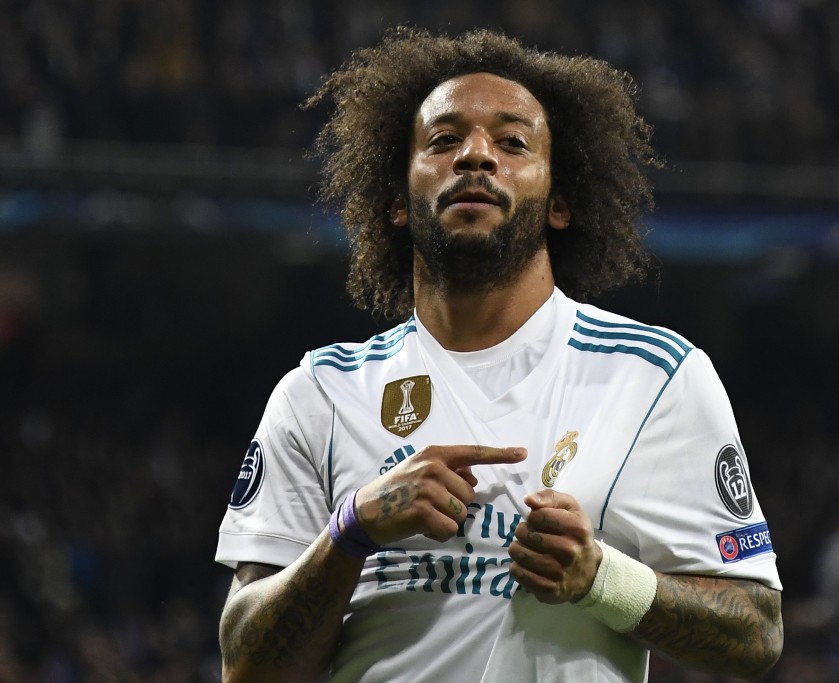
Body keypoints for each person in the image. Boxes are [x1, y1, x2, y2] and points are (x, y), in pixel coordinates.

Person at [215, 26, 783, 682]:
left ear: (560, 203)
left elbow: (756, 631)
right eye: (444, 140)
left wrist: (604, 578)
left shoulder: (655, 378)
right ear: (396, 200)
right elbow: (247, 665)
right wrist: (351, 530)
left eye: (512, 142)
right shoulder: (318, 392)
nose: (476, 156)